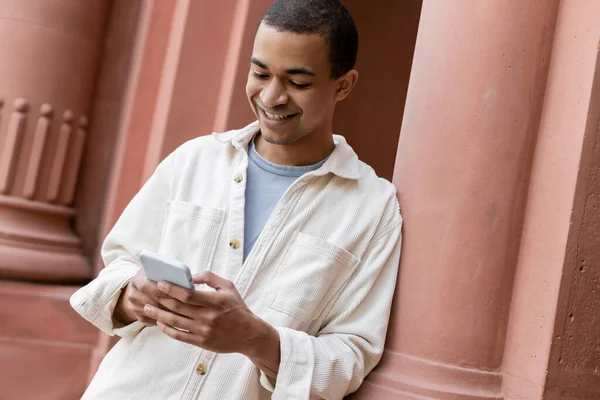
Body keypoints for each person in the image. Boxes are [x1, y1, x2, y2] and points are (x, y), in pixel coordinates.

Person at [70, 0, 402, 398]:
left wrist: (255, 339)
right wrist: (133, 295)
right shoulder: (194, 160)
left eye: (298, 83)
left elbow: (352, 355)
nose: (272, 97)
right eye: (260, 73)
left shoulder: (373, 209)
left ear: (343, 85)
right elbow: (115, 271)